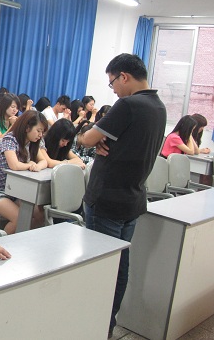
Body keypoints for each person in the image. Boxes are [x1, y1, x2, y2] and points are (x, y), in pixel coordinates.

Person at [78, 53, 166, 337]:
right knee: (120, 266)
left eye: (112, 82)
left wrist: (92, 136)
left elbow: (86, 139)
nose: (113, 89)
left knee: (101, 268)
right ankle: (107, 326)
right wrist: (103, 140)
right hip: (132, 199)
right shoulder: (159, 106)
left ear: (124, 76)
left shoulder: (128, 105)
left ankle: (93, 327)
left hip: (107, 199)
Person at [0, 111, 48, 234]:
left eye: (42, 132)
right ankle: (0, 243)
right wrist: (30, 165)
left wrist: (37, 166)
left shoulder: (32, 142)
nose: (40, 135)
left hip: (16, 191)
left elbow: (44, 161)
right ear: (27, 128)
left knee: (40, 215)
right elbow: (14, 165)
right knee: (19, 219)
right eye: (38, 131)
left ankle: (23, 239)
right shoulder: (10, 139)